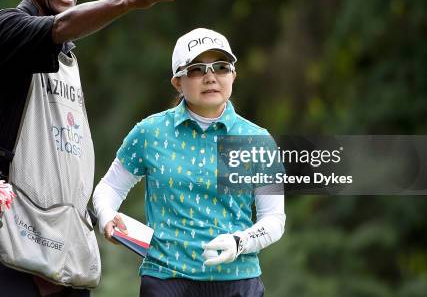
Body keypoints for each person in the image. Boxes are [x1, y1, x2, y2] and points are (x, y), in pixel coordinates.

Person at [0, 0, 176, 297]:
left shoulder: (67, 57)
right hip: (11, 242)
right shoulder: (4, 29)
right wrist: (128, 0)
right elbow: (58, 27)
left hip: (64, 249)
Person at [92, 28, 285, 296]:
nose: (210, 77)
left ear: (233, 76)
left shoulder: (257, 139)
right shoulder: (150, 132)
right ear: (177, 82)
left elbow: (274, 219)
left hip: (237, 280)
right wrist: (106, 215)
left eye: (221, 67)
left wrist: (240, 242)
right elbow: (110, 188)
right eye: (196, 69)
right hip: (166, 279)